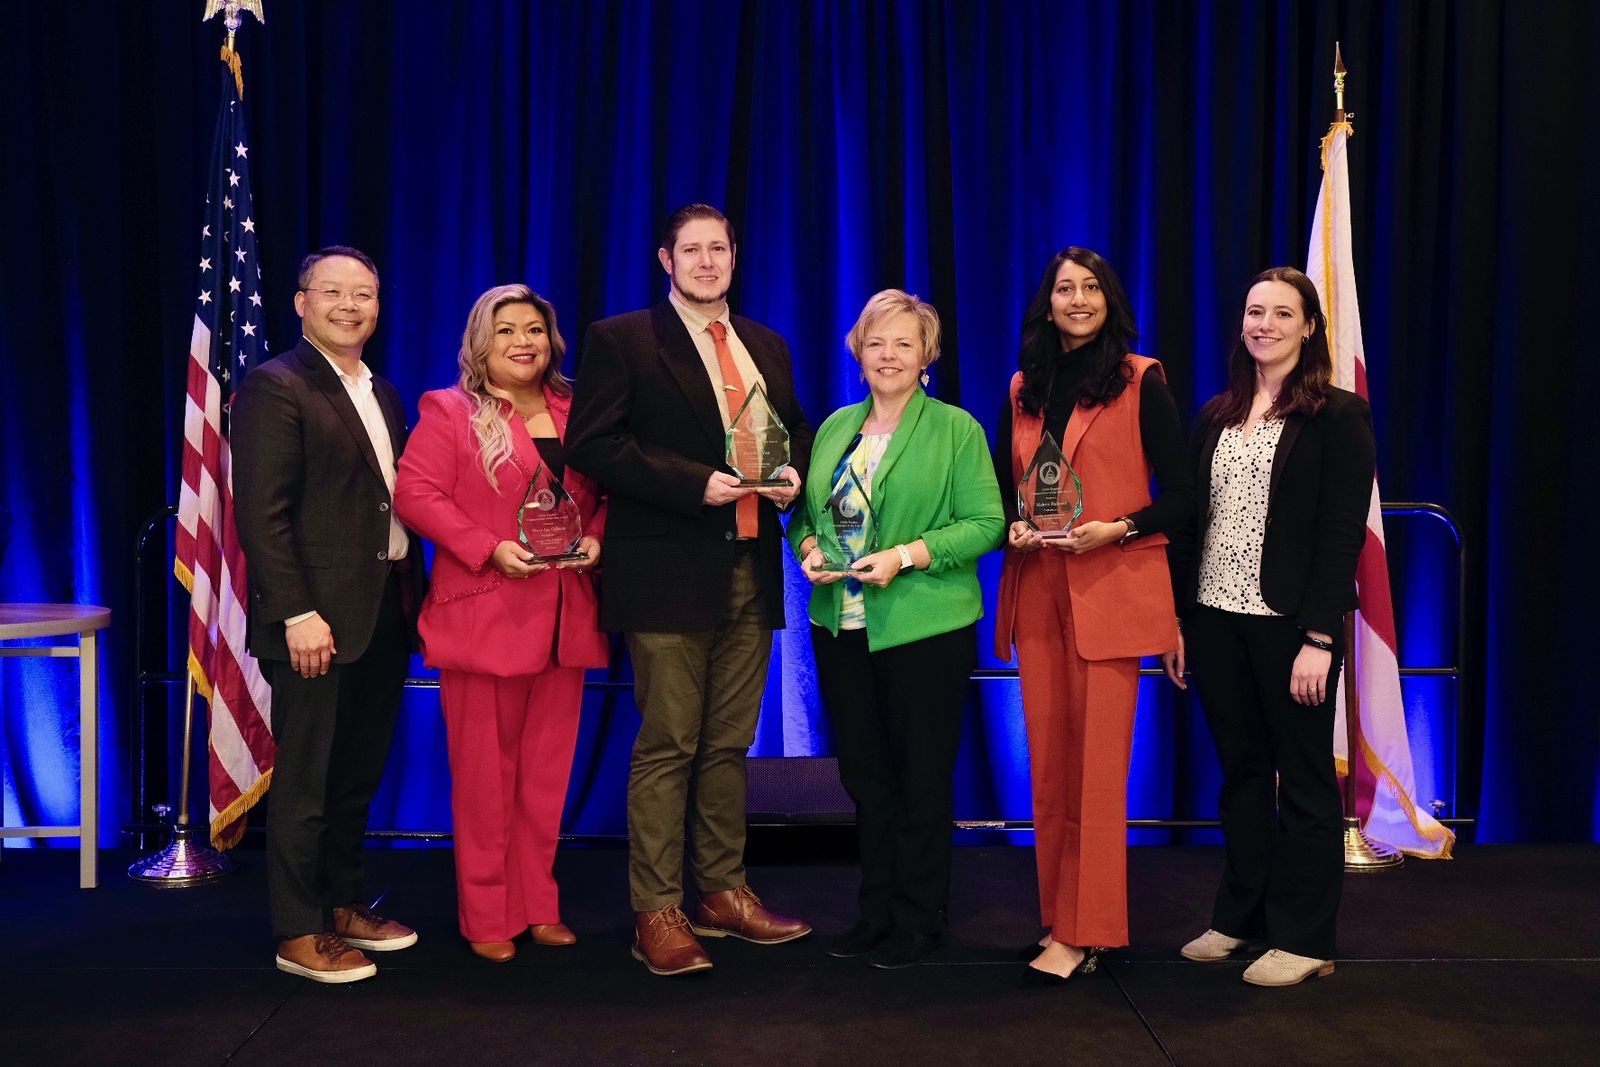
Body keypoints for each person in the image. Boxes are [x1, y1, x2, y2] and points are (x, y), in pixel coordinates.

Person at [566, 204, 815, 976]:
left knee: (729, 742)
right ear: (665, 260)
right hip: (666, 568)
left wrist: (796, 471)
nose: (707, 261)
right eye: (692, 250)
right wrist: (691, 482)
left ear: (735, 256)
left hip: (751, 565)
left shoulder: (766, 343)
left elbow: (796, 429)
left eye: (719, 248)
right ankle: (656, 909)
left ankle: (723, 891)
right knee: (670, 741)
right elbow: (593, 443)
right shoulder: (623, 339)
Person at [992, 247, 1192, 986]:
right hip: (1040, 588)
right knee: (1049, 769)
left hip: (1111, 587)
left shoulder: (1141, 380)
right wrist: (1015, 526)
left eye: (1091, 288)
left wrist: (1120, 529)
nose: (1077, 299)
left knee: (1098, 773)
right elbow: (1008, 486)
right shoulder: (1025, 386)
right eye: (1064, 289)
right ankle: (1059, 916)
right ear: (1046, 304)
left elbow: (1185, 496)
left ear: (1110, 300)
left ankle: (1088, 930)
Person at [790, 289, 1003, 969]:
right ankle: (875, 911)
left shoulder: (956, 429)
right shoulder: (835, 427)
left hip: (923, 630)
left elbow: (986, 524)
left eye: (904, 343)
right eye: (876, 342)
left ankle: (919, 917)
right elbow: (804, 516)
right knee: (866, 778)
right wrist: (808, 549)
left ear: (926, 355)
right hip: (841, 628)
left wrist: (906, 556)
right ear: (858, 352)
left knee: (920, 779)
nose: (889, 355)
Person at [1173, 267, 1374, 987]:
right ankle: (1241, 917)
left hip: (1292, 629)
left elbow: (1341, 533)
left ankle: (1306, 937)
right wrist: (1179, 619)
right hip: (1214, 619)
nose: (1265, 324)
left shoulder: (1338, 415)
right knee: (1243, 778)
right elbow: (1191, 522)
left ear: (1309, 326)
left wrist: (1321, 637)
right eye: (1255, 311)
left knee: (1307, 783)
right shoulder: (1217, 413)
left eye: (1283, 313)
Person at [394, 284, 605, 963]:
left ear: (552, 340)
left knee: (545, 779)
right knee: (486, 780)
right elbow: (414, 493)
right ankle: (488, 912)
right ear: (481, 342)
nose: (523, 341)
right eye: (507, 329)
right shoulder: (449, 410)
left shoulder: (580, 410)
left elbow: (610, 490)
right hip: (486, 617)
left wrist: (598, 536)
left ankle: (539, 904)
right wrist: (486, 547)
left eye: (534, 329)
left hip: (565, 619)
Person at [233, 245, 427, 984]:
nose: (350, 306)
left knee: (354, 775)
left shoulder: (383, 391)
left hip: (381, 612)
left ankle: (343, 902)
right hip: (313, 622)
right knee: (307, 781)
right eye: (333, 292)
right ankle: (298, 928)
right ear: (301, 302)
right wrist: (296, 612)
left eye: (364, 294)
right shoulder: (275, 386)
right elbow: (263, 514)